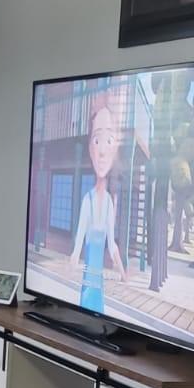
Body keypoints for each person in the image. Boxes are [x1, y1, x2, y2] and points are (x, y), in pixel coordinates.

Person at [70, 102, 130, 313]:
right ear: (90, 148)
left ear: (116, 148)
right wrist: (73, 262)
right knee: (85, 309)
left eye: (109, 140)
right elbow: (79, 242)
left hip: (99, 284)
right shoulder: (87, 200)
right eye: (97, 140)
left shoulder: (109, 203)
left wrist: (123, 274)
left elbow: (112, 244)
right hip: (88, 280)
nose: (102, 150)